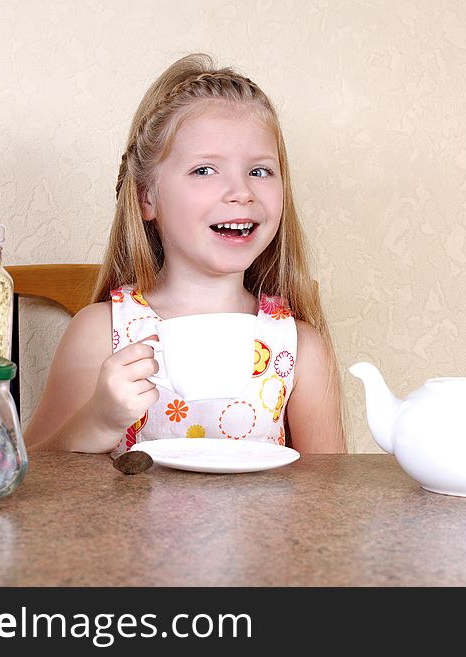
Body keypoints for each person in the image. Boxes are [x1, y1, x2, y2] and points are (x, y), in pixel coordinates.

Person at [24, 53, 345, 455]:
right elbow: (30, 479)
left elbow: (329, 497)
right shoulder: (101, 334)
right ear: (147, 198)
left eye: (260, 171)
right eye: (205, 171)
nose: (241, 191)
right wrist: (99, 420)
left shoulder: (300, 349)